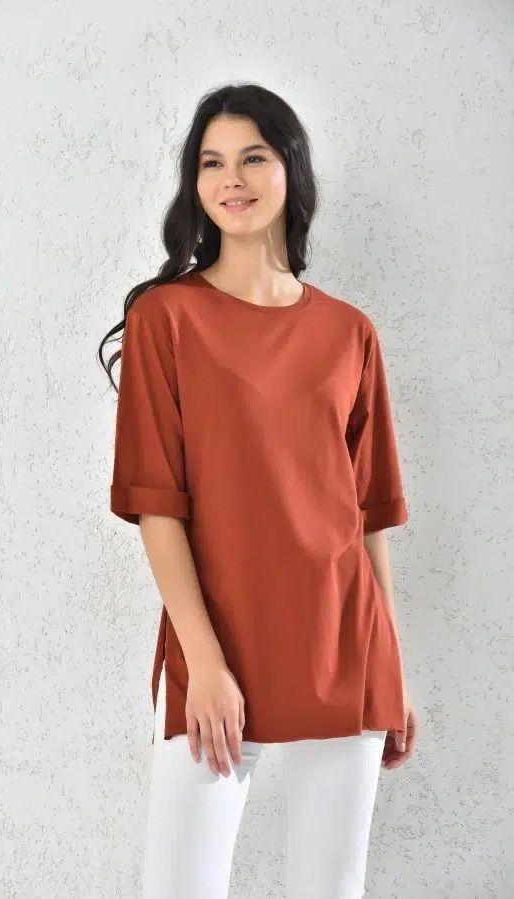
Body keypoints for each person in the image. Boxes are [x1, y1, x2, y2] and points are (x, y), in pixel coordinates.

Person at [99, 82, 419, 899]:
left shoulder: (350, 332)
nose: (230, 179)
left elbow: (368, 513)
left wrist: (391, 666)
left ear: (291, 171)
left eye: (252, 158)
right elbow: (157, 505)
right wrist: (204, 662)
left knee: (329, 890)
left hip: (342, 645)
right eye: (210, 163)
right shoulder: (166, 319)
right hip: (217, 648)